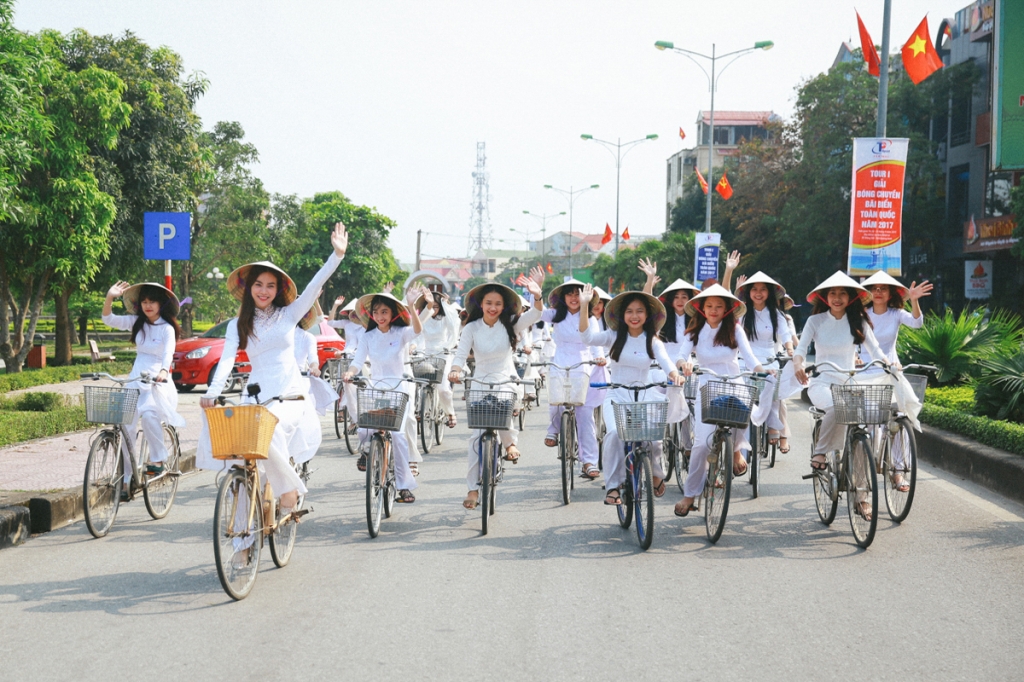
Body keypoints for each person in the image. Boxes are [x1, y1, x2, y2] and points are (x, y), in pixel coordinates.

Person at [199, 223, 349, 556]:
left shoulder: (288, 314)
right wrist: (211, 391)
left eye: (270, 285)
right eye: (258, 284)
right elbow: (226, 360)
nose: (264, 291)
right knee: (239, 465)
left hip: (290, 396)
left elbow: (313, 286)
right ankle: (242, 543)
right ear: (248, 288)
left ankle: (289, 490)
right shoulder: (238, 323)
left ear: (278, 289)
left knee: (272, 430)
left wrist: (336, 256)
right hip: (255, 397)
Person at [792, 271, 889, 521]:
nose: (837, 298)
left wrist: (889, 364)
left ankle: (862, 497)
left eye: (842, 293)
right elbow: (800, 349)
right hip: (822, 382)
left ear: (851, 297)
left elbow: (876, 350)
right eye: (832, 293)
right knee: (836, 408)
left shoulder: (858, 322)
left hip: (849, 383)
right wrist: (798, 364)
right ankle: (821, 452)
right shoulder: (815, 321)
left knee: (864, 432)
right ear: (825, 297)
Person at [578, 285, 682, 505]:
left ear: (648, 315)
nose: (634, 316)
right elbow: (587, 337)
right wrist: (584, 305)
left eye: (640, 311)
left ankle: (656, 473)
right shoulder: (613, 336)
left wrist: (675, 375)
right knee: (615, 435)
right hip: (617, 395)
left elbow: (666, 362)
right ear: (622, 315)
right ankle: (613, 486)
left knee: (653, 439)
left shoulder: (653, 340)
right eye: (629, 311)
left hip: (645, 395)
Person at [450, 268, 544, 509]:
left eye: (498, 304)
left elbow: (535, 314)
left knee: (503, 410)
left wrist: (537, 294)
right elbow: (460, 355)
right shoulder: (471, 328)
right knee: (475, 438)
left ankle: (510, 443)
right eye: (489, 303)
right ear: (481, 304)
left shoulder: (511, 324)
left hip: (505, 379)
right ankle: (473, 489)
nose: (493, 308)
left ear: (504, 307)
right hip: (480, 381)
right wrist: (456, 370)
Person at [673, 284, 765, 518]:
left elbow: (749, 356)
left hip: (734, 383)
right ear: (702, 308)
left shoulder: (735, 329)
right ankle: (690, 494)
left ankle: (736, 450)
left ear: (727, 309)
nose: (713, 310)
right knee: (701, 445)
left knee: (743, 412)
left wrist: (761, 370)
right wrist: (685, 364)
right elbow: (681, 356)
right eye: (709, 306)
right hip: (708, 387)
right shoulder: (695, 332)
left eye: (719, 306)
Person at [342, 284, 429, 502]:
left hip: (398, 389)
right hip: (376, 389)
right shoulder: (368, 336)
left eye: (384, 312)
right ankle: (368, 450)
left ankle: (404, 485)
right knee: (365, 429)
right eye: (376, 312)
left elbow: (417, 331)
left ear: (392, 314)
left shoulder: (401, 333)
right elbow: (357, 361)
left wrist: (411, 306)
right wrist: (350, 373)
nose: (380, 316)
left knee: (398, 436)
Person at [101, 281, 186, 488]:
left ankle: (158, 459)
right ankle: (127, 477)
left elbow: (168, 353)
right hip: (135, 379)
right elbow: (108, 319)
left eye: (152, 302)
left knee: (149, 415)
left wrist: (164, 370)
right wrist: (110, 297)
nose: (148, 306)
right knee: (125, 426)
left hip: (157, 382)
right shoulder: (136, 322)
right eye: (144, 302)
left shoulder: (167, 329)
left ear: (161, 304)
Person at [535, 276, 602, 481]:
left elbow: (595, 341)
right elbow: (537, 312)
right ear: (563, 298)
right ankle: (554, 429)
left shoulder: (590, 319)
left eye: (577, 294)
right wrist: (537, 291)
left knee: (585, 415)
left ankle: (589, 461)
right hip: (560, 361)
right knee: (556, 400)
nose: (574, 298)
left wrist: (599, 357)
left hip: (583, 364)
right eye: (570, 294)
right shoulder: (556, 315)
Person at [735, 272, 794, 453]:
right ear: (748, 292)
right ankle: (740, 441)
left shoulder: (776, 314)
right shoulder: (742, 313)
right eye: (754, 289)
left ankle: (773, 423)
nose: (758, 293)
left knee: (774, 387)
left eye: (763, 289)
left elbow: (785, 334)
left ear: (769, 293)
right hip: (746, 359)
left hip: (768, 359)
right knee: (742, 397)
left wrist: (790, 349)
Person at [859, 271, 932, 367]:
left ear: (890, 293)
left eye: (883, 288)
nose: (878, 292)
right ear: (869, 292)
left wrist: (914, 300)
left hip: (891, 367)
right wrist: (855, 358)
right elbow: (852, 341)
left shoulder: (896, 313)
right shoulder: (861, 315)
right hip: (865, 368)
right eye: (874, 288)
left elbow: (917, 323)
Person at [414, 287, 460, 428]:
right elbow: (416, 334)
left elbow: (453, 329)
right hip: (426, 353)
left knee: (443, 389)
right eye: (430, 306)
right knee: (420, 384)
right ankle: (421, 409)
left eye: (436, 306)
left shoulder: (445, 319)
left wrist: (449, 346)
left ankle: (450, 413)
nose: (433, 309)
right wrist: (414, 347)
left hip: (443, 354)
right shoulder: (424, 318)